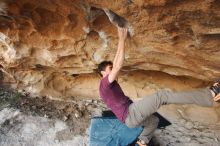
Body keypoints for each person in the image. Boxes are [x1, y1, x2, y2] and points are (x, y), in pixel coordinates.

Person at [97, 26, 220, 146]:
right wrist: (121, 40)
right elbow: (118, 66)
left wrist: (119, 46)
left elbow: (116, 64)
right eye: (110, 69)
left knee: (153, 121)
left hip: (129, 120)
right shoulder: (104, 83)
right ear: (103, 73)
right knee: (162, 96)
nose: (113, 70)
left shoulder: (105, 87)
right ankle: (211, 94)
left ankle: (142, 141)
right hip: (130, 114)